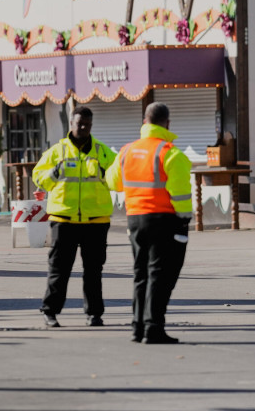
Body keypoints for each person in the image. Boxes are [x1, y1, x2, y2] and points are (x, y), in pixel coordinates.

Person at [105, 102, 192, 344]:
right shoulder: (171, 153)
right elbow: (180, 194)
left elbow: (113, 182)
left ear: (144, 122)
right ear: (167, 123)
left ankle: (138, 326)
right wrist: (185, 219)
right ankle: (153, 327)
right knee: (160, 275)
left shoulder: (127, 151)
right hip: (164, 220)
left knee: (140, 273)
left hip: (134, 220)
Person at [32, 106, 116, 328]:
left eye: (87, 124)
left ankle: (94, 314)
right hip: (64, 219)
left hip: (96, 220)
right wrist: (54, 173)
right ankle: (50, 311)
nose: (83, 128)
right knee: (59, 270)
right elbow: (38, 177)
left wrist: (105, 174)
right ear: (71, 124)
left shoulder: (102, 152)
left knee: (93, 271)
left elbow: (119, 178)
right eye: (79, 124)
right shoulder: (57, 152)